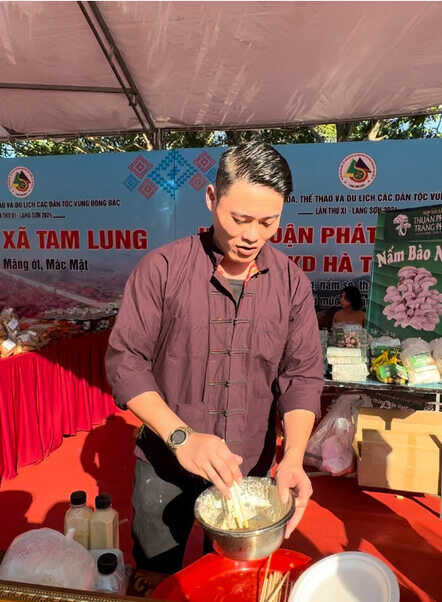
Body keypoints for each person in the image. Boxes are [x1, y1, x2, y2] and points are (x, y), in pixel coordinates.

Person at [105, 141, 323, 574]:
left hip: (248, 470)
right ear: (210, 199)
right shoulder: (162, 269)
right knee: (156, 570)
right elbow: (126, 362)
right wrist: (182, 438)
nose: (252, 236)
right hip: (166, 462)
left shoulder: (291, 283)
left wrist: (294, 456)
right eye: (239, 219)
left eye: (268, 222)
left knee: (231, 577)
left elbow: (301, 376)